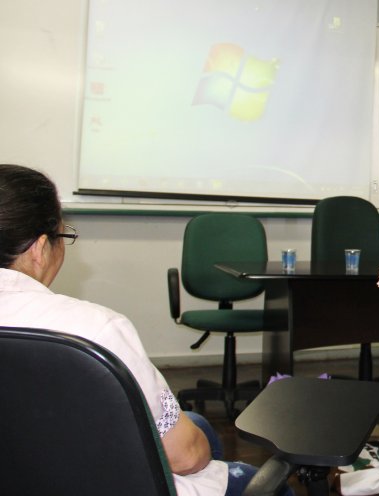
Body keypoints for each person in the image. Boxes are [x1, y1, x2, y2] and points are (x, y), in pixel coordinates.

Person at [0, 164, 288, 496]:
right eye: (64, 237)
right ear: (39, 248)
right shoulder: (94, 329)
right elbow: (185, 456)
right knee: (254, 477)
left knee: (200, 426)